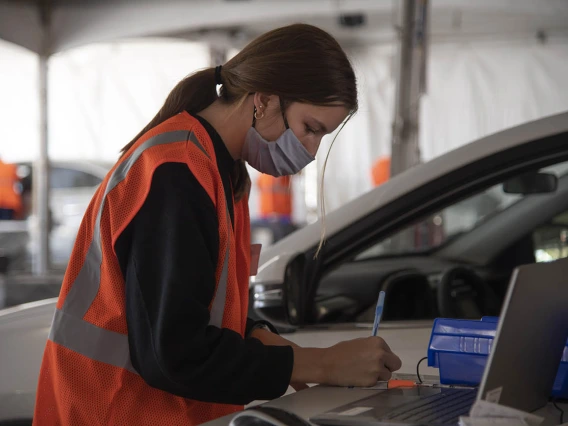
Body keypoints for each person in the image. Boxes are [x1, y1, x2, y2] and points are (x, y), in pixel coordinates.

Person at [33, 24, 402, 425]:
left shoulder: (218, 168)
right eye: (309, 128)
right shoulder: (177, 173)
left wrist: (257, 333)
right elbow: (175, 354)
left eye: (321, 137)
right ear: (263, 99)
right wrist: (319, 364)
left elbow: (195, 304)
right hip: (114, 411)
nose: (311, 152)